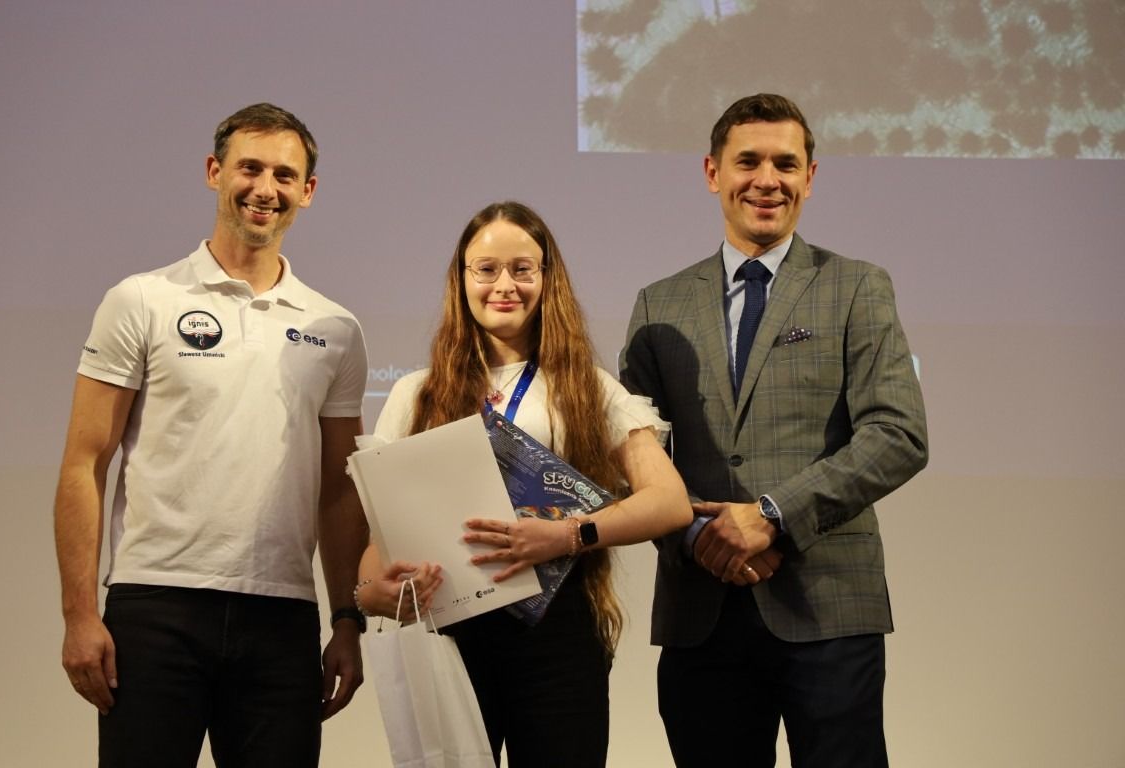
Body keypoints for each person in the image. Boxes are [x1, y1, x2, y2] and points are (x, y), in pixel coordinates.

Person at [53, 103, 369, 768]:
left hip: (282, 617)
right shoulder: (142, 299)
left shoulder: (336, 328)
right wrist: (79, 615)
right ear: (213, 171)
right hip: (155, 607)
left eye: (284, 175)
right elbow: (85, 462)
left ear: (308, 191)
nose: (265, 188)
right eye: (249, 168)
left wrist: (347, 619)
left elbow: (341, 491)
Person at [619, 93, 929, 767]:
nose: (767, 180)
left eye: (786, 164)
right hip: (702, 614)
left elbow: (898, 433)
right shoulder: (657, 306)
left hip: (828, 607)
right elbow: (633, 458)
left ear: (809, 178)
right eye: (748, 161)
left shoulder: (856, 287)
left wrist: (771, 516)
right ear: (712, 173)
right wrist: (700, 536)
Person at [354, 200, 693, 768]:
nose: (504, 285)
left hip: (559, 637)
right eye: (486, 269)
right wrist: (374, 593)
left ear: (547, 277)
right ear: (462, 279)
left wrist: (568, 535)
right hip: (450, 638)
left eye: (522, 269)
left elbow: (670, 502)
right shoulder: (417, 392)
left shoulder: (586, 386)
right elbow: (378, 545)